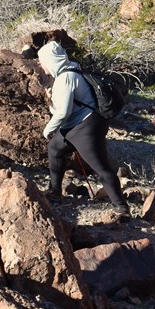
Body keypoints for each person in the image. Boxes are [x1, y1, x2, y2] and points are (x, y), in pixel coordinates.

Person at [39, 41, 130, 218]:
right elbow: (65, 108)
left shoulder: (66, 78)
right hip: (78, 124)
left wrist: (47, 129)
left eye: (41, 61)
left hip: (86, 127)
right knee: (55, 149)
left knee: (100, 167)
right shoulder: (71, 69)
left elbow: (63, 111)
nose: (40, 65)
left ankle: (122, 208)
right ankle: (55, 192)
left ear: (50, 61)